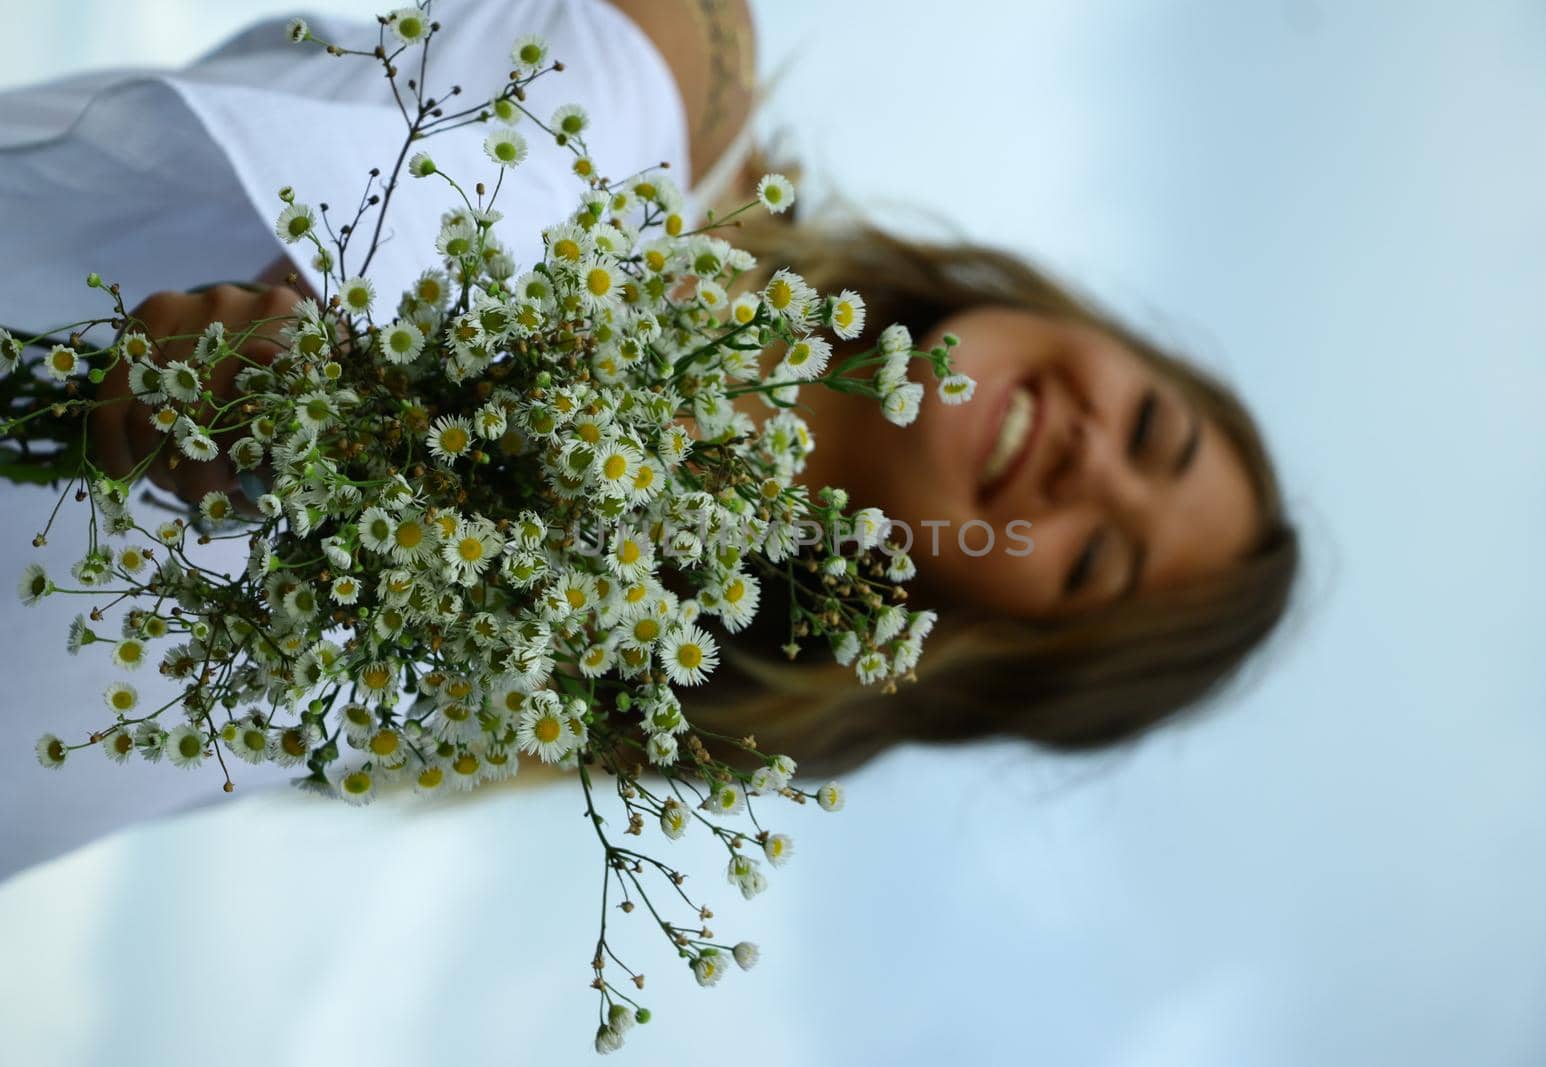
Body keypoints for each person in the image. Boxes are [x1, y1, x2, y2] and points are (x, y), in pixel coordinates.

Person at [6, 0, 1297, 868]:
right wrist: (319, 367)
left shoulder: (519, 684)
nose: (1088, 462)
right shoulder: (693, 79)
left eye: (1090, 561)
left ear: (983, 641)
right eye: (1149, 427)